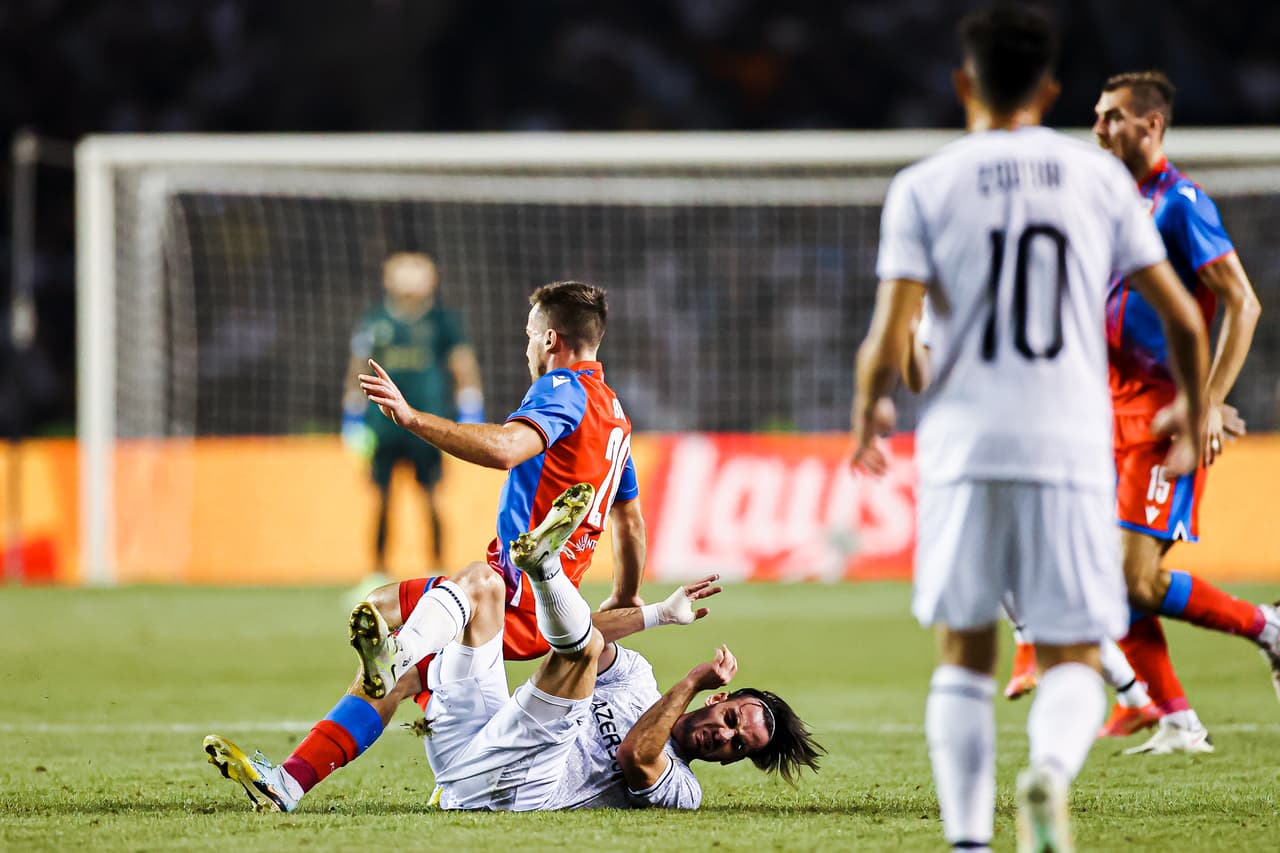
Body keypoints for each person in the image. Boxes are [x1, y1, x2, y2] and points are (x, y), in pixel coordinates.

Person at [852, 5, 1212, 851]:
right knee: (1074, 656)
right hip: (1071, 446)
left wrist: (869, 408)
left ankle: (971, 839)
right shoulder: (1099, 183)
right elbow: (1189, 324)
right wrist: (1193, 415)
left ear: (962, 83)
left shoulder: (925, 184)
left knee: (964, 653)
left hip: (964, 449)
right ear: (1051, 90)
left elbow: (891, 340)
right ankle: (1049, 770)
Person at [229, 281, 650, 807]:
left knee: (418, 618)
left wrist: (412, 420)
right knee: (380, 613)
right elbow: (628, 520)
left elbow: (506, 449)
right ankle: (291, 781)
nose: (525, 350)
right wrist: (626, 594)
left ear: (549, 339)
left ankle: (417, 688)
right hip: (543, 604)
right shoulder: (615, 415)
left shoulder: (562, 388)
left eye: (526, 337)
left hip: (513, 588)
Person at [205, 487, 822, 811]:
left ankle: (546, 564)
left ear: (728, 761)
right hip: (478, 752)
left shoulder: (683, 789)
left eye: (740, 745)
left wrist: (689, 682)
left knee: (571, 656)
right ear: (731, 698)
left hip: (520, 791)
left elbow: (637, 753)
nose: (727, 735)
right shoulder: (636, 678)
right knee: (481, 586)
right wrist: (661, 615)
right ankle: (289, 783)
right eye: (736, 719)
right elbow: (597, 636)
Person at [1002, 70, 1279, 755]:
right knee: (1103, 578)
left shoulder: (1181, 203)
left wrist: (1204, 402)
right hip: (1109, 412)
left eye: (1111, 117)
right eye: (1097, 116)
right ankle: (1176, 717)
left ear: (1150, 125)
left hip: (1162, 416)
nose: (1097, 127)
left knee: (1135, 578)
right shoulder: (1110, 202)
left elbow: (1243, 302)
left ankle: (1266, 626)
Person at [342, 251, 485, 576]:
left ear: (431, 277)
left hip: (428, 424)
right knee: (381, 498)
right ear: (387, 276)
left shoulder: (443, 322)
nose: (410, 275)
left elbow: (463, 366)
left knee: (433, 497)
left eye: (417, 268)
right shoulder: (374, 320)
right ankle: (376, 574)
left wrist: (471, 409)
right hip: (382, 426)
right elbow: (356, 367)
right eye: (402, 268)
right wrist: (352, 416)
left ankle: (439, 573)